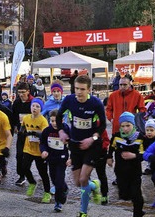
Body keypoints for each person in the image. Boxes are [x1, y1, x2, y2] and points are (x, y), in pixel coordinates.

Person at [56, 75, 104, 217]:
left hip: (92, 145)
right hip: (75, 145)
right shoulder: (69, 100)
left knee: (83, 179)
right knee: (78, 183)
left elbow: (102, 126)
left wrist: (92, 138)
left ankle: (83, 212)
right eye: (76, 88)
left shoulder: (96, 104)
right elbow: (59, 117)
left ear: (89, 89)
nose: (79, 92)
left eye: (82, 89)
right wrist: (61, 131)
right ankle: (94, 185)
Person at [107, 112, 145, 217]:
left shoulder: (140, 138)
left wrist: (134, 156)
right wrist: (109, 157)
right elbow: (111, 147)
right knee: (124, 194)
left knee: (136, 194)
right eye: (122, 126)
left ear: (134, 125)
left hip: (135, 171)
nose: (125, 128)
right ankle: (127, 195)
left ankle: (138, 212)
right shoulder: (116, 137)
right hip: (120, 170)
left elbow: (143, 154)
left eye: (128, 125)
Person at [20, 98, 51, 203]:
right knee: (24, 168)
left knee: (43, 172)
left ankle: (47, 193)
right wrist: (22, 132)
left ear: (41, 109)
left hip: (40, 150)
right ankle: (32, 182)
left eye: (37, 107)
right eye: (33, 106)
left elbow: (45, 135)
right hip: (28, 148)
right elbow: (23, 127)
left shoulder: (43, 120)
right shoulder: (26, 118)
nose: (35, 108)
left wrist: (34, 133)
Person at [41, 110, 70, 212]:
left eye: (56, 121)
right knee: (53, 178)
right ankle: (64, 188)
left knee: (59, 179)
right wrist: (44, 151)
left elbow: (72, 144)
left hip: (62, 158)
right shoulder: (47, 131)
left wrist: (71, 158)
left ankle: (58, 202)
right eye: (52, 121)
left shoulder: (66, 129)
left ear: (62, 120)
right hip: (51, 158)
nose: (54, 123)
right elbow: (43, 143)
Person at [11, 82, 33, 186]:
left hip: (32, 133)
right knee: (19, 154)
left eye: (23, 92)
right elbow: (14, 115)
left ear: (28, 92)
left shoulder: (33, 102)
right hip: (21, 132)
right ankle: (21, 176)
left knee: (34, 156)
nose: (21, 94)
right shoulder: (16, 103)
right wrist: (15, 126)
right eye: (19, 92)